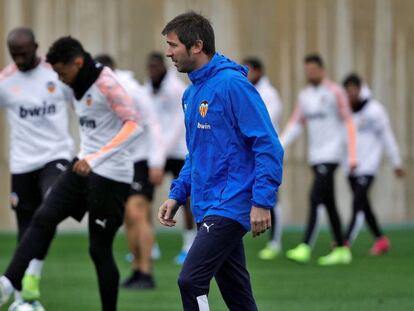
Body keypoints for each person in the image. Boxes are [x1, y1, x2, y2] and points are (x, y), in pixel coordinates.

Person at [0, 37, 141, 311]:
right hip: (82, 166)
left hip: (112, 175)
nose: (60, 80)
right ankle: (8, 284)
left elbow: (135, 125)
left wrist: (96, 157)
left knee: (98, 250)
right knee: (42, 218)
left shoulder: (106, 83)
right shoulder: (73, 79)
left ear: (77, 63)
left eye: (62, 73)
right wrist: (87, 156)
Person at [157, 11, 284, 310]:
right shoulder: (190, 94)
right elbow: (197, 153)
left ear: (197, 46)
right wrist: (177, 194)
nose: (168, 52)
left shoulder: (232, 85)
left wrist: (262, 200)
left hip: (230, 202)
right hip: (205, 203)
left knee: (190, 281)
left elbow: (268, 144)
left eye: (173, 44)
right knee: (238, 296)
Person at [0, 27, 74, 307]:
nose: (19, 59)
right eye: (14, 54)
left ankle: (29, 278)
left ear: (36, 47)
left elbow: (80, 102)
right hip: (22, 164)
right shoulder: (5, 82)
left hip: (56, 157)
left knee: (49, 209)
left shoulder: (56, 72)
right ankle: (23, 299)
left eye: (24, 53)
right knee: (26, 228)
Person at [94, 54, 165, 289]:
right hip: (120, 161)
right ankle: (137, 268)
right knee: (127, 216)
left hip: (142, 160)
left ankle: (147, 271)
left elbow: (154, 124)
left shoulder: (133, 90)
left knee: (137, 213)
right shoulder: (98, 91)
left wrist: (157, 161)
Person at [282, 54, 356, 265]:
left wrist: (351, 155)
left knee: (315, 197)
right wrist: (279, 145)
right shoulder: (304, 95)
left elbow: (348, 122)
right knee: (330, 202)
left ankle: (305, 246)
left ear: (322, 70)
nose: (310, 73)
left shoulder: (335, 92)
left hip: (331, 154)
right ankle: (342, 248)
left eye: (314, 69)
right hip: (315, 156)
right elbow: (296, 123)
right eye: (307, 70)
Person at [342, 73, 404, 255]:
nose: (351, 95)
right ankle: (381, 239)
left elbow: (387, 136)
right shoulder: (347, 112)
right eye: (348, 92)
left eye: (353, 91)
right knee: (364, 206)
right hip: (351, 167)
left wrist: (396, 162)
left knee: (357, 203)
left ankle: (344, 243)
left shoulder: (375, 111)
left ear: (360, 89)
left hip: (368, 167)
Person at [145, 52, 196, 265]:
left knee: (186, 199)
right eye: (150, 67)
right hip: (157, 151)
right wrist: (155, 152)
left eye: (156, 66)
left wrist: (161, 151)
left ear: (163, 67)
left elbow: (179, 123)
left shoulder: (176, 88)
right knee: (144, 196)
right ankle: (149, 245)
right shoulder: (147, 88)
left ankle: (189, 244)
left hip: (177, 150)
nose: (152, 71)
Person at [243, 57, 284, 260]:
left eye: (248, 70)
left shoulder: (269, 94)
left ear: (258, 71)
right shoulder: (245, 90)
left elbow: (266, 122)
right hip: (250, 153)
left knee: (271, 197)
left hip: (266, 153)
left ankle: (275, 242)